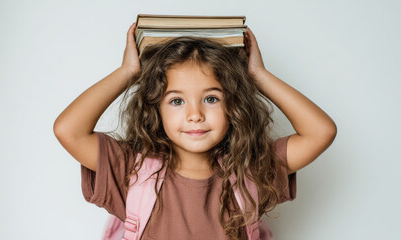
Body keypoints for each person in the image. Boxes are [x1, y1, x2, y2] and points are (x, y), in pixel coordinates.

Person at [53, 22, 337, 240]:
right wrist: (128, 71)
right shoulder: (130, 171)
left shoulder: (249, 172)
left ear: (234, 105)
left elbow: (320, 132)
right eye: (177, 101)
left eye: (211, 98)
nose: (195, 115)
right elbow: (69, 130)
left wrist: (258, 76)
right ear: (155, 109)